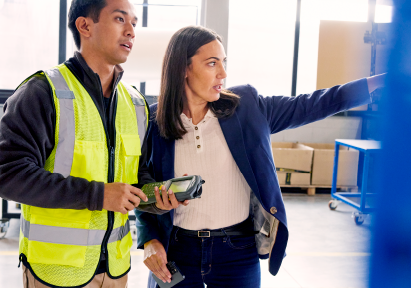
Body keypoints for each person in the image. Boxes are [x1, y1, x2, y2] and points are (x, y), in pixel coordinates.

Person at [135, 26, 386, 288]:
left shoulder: (246, 108)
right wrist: (151, 236)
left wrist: (377, 82)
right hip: (177, 251)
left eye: (224, 62)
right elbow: (139, 185)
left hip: (237, 250)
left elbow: (315, 103)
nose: (223, 73)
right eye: (212, 63)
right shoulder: (153, 121)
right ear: (182, 68)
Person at [0, 0, 152, 287]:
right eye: (119, 19)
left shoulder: (136, 104)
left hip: (116, 271)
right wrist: (98, 195)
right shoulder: (43, 92)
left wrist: (156, 196)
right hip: (55, 274)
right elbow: (9, 176)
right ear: (85, 26)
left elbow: (136, 178)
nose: (131, 31)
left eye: (134, 24)